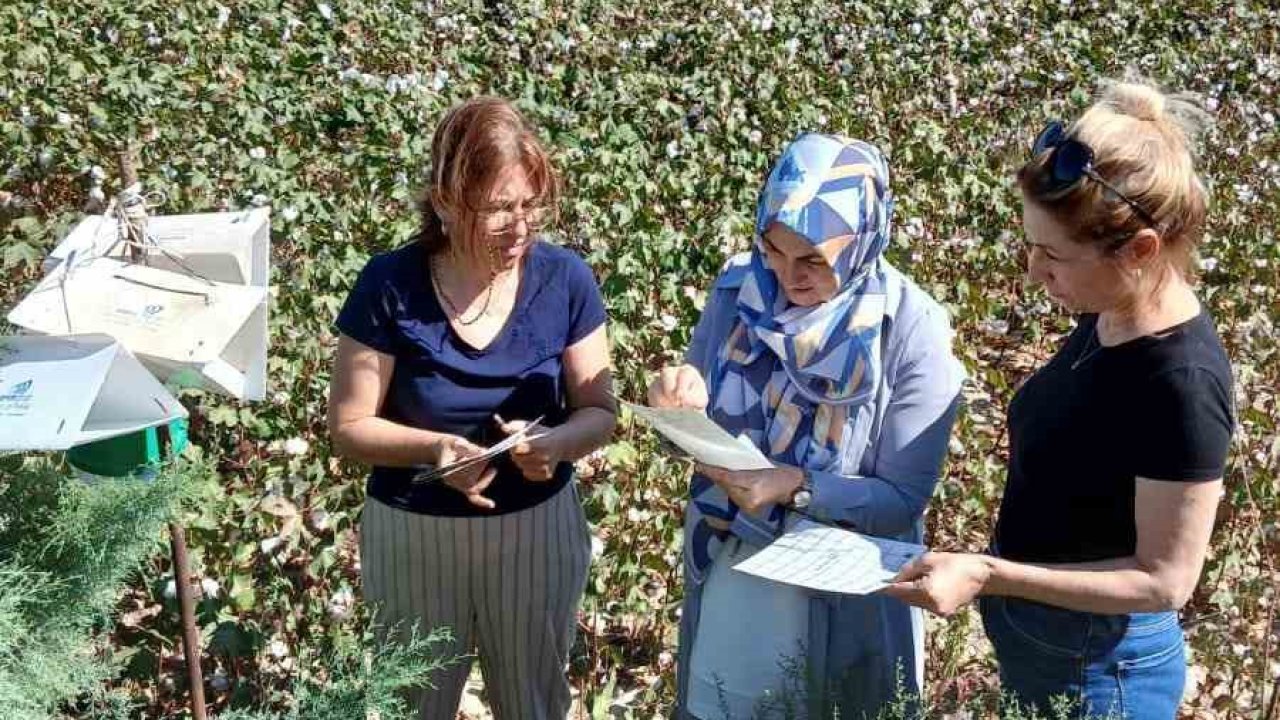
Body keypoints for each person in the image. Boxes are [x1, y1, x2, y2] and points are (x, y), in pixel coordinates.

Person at [884, 79, 1232, 720]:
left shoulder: (1181, 383)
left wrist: (990, 574)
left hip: (1102, 676)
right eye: (1030, 245)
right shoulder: (1112, 310)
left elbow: (1165, 581)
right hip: (1051, 651)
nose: (1033, 270)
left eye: (1052, 254)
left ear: (1139, 250)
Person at [648, 133, 965, 719]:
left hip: (843, 594)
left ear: (863, 239)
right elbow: (691, 418)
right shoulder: (739, 291)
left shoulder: (910, 327)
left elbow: (903, 498)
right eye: (774, 250)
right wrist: (674, 404)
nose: (788, 276)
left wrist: (796, 485)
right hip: (734, 572)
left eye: (814, 259)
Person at [326, 95, 616, 720]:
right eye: (498, 209)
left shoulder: (566, 279)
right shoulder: (388, 284)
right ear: (445, 202)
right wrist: (434, 450)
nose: (520, 227)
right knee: (414, 704)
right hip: (415, 536)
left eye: (529, 205)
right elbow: (348, 427)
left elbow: (599, 408)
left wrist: (559, 445)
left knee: (534, 704)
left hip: (536, 533)